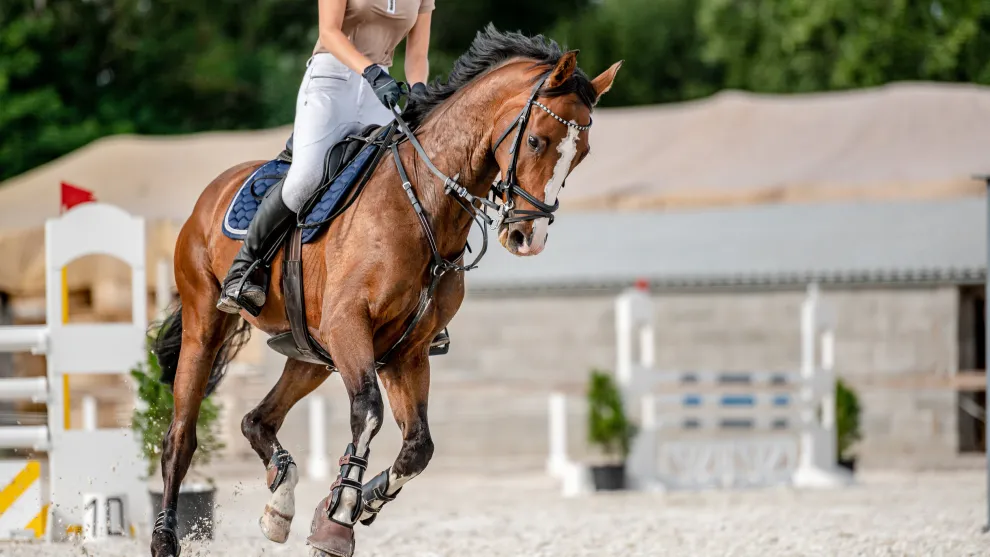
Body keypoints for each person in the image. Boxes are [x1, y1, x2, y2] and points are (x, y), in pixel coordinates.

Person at [217, 0, 435, 316]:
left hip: (380, 89)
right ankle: (245, 267)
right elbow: (329, 32)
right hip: (331, 81)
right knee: (306, 180)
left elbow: (417, 55)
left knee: (407, 178)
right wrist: (371, 72)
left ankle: (419, 293)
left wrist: (418, 92)